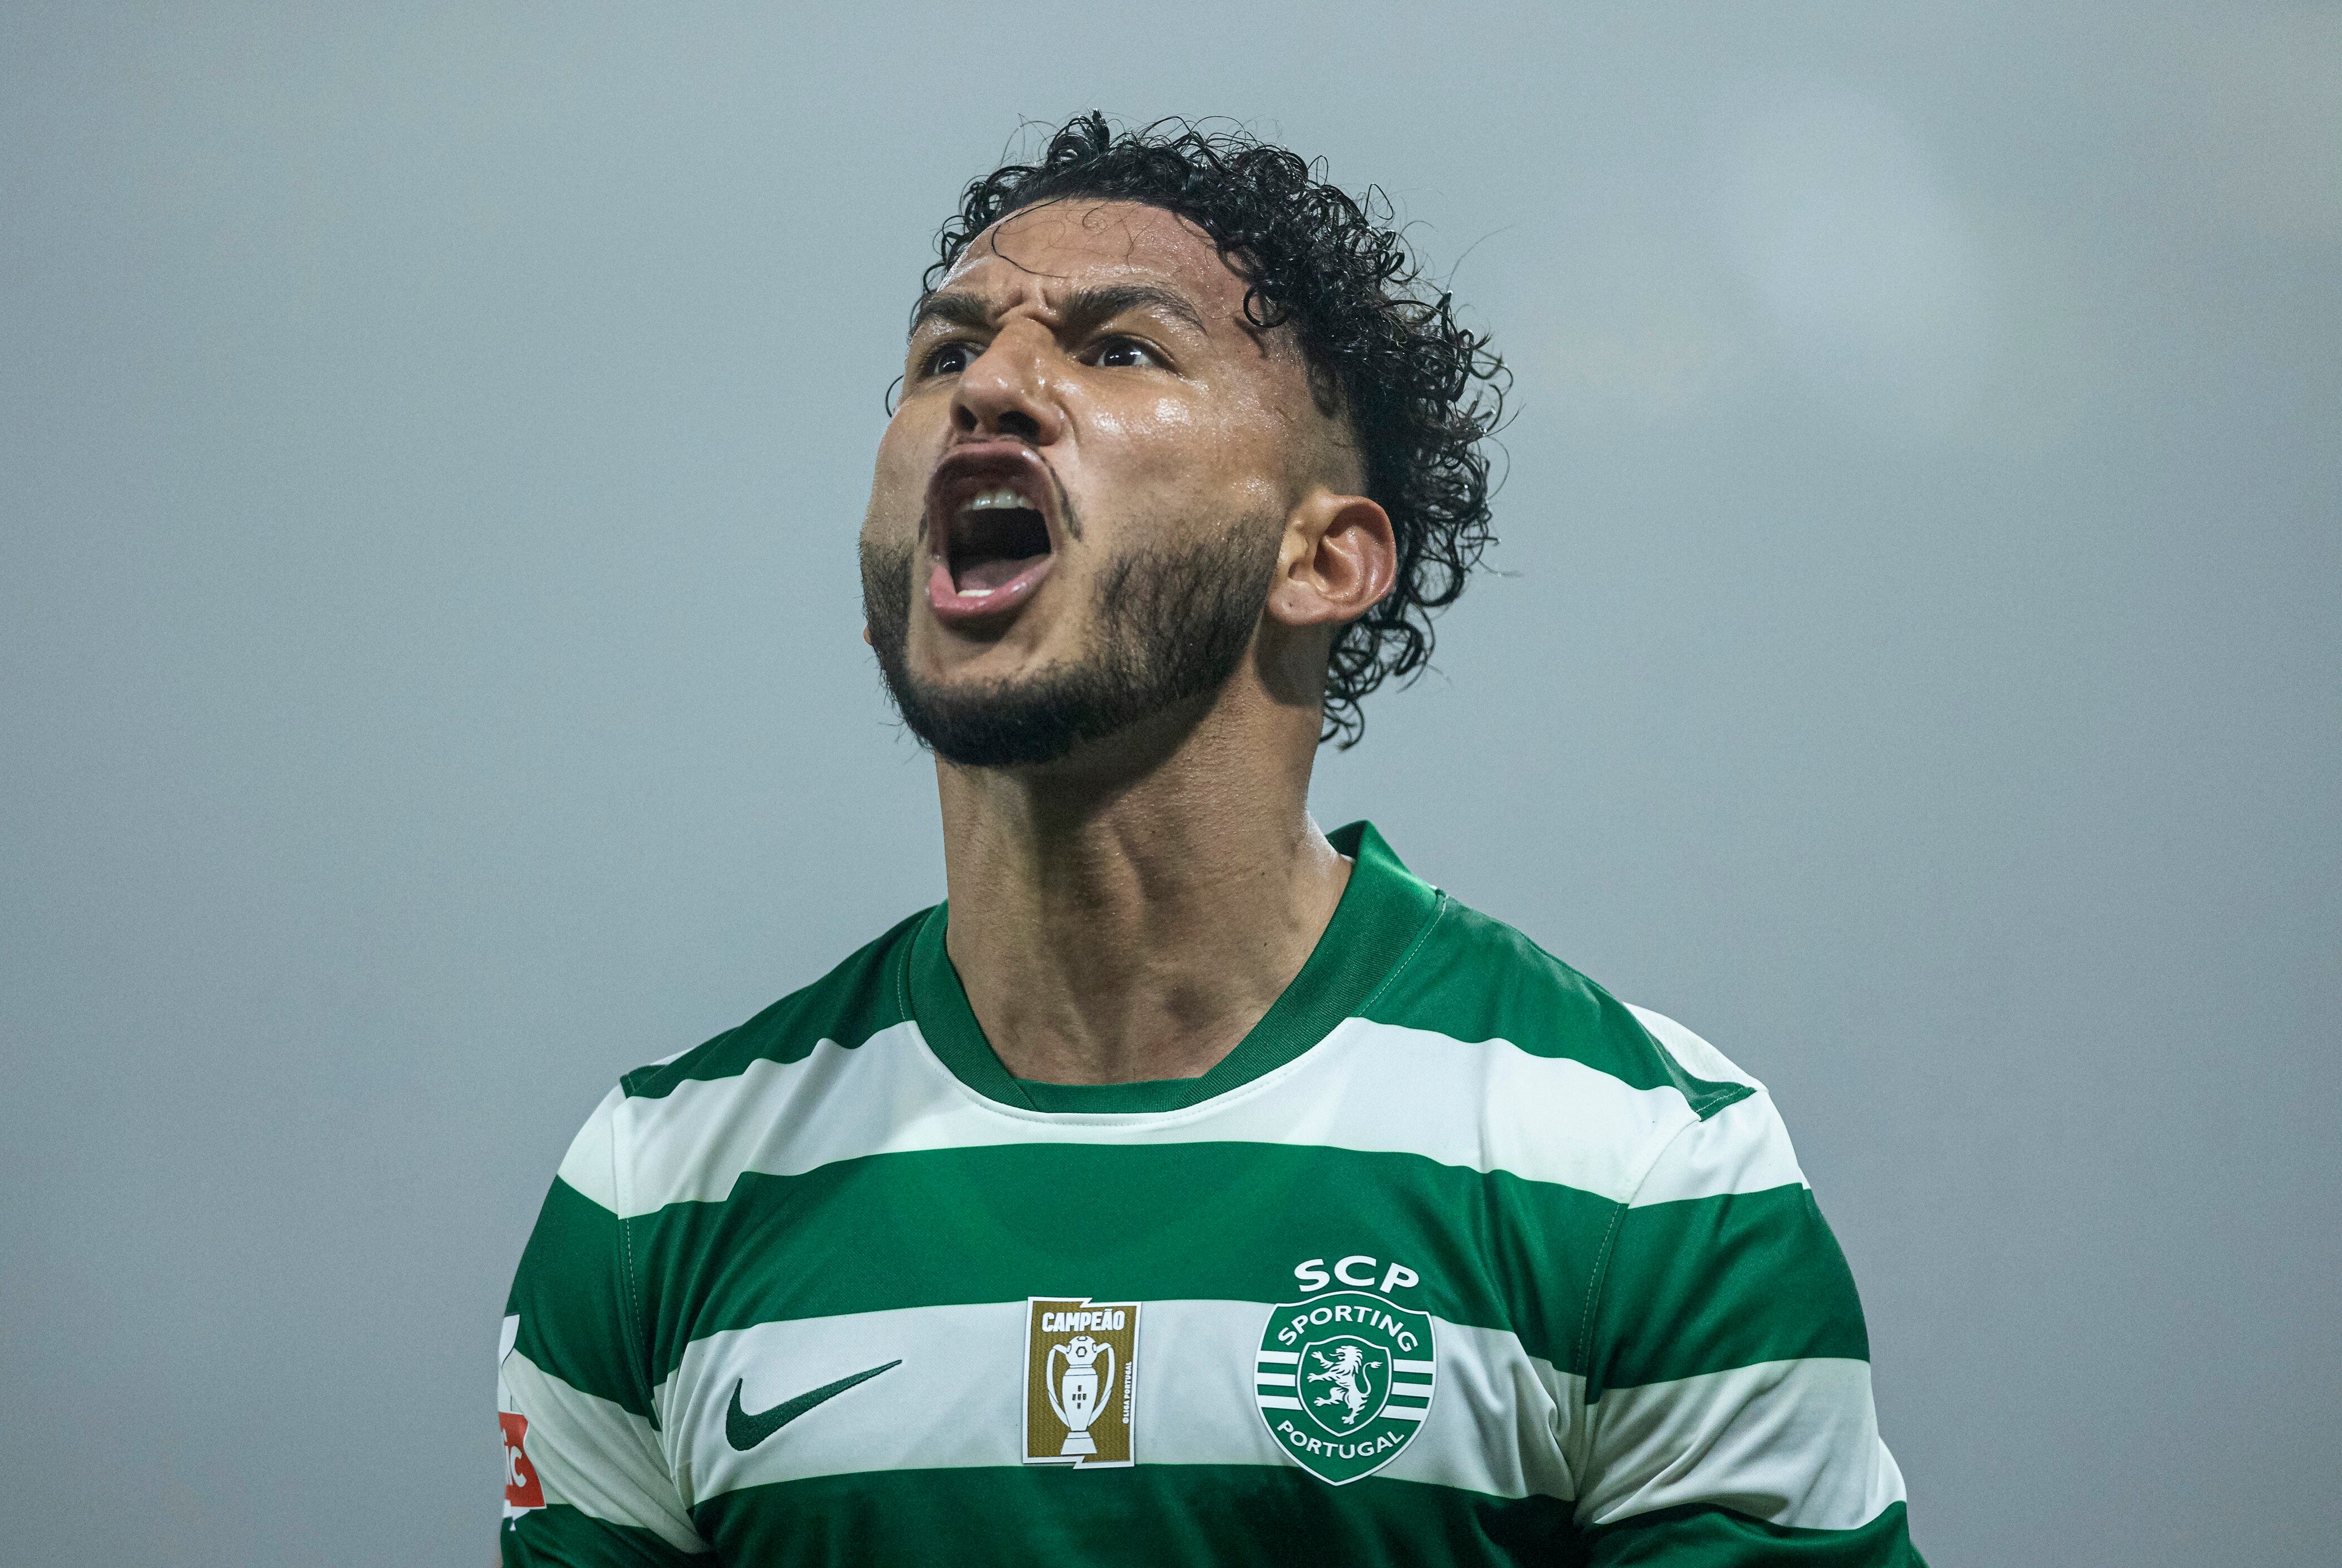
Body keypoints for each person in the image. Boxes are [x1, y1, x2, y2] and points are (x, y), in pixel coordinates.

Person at [495, 114, 1924, 1566]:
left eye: (1117, 349)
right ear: (887, 589)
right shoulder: (658, 1192)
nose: (992, 386)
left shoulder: (1639, 1174)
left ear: (1323, 559)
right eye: (945, 356)